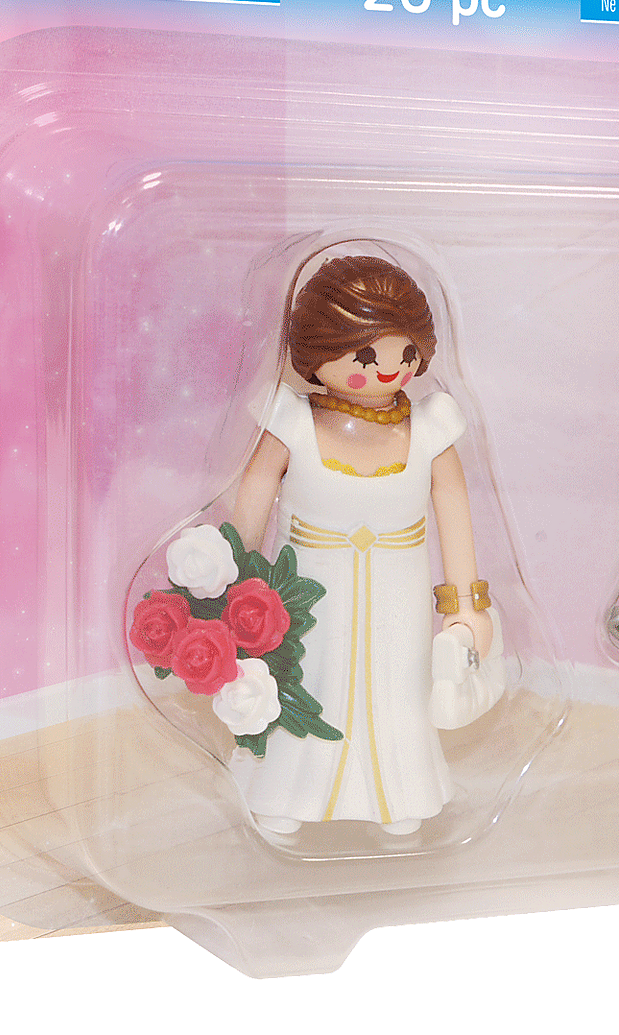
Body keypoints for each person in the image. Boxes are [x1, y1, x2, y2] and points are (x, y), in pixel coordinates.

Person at [227, 254, 491, 835]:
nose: (388, 369)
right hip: (305, 595)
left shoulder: (431, 429)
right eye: (366, 357)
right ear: (317, 350)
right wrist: (232, 590)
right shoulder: (290, 423)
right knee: (307, 683)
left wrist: (466, 608)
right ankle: (285, 794)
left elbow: (455, 515)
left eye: (405, 353)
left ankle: (398, 795)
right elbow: (249, 510)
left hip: (400, 594)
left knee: (399, 689)